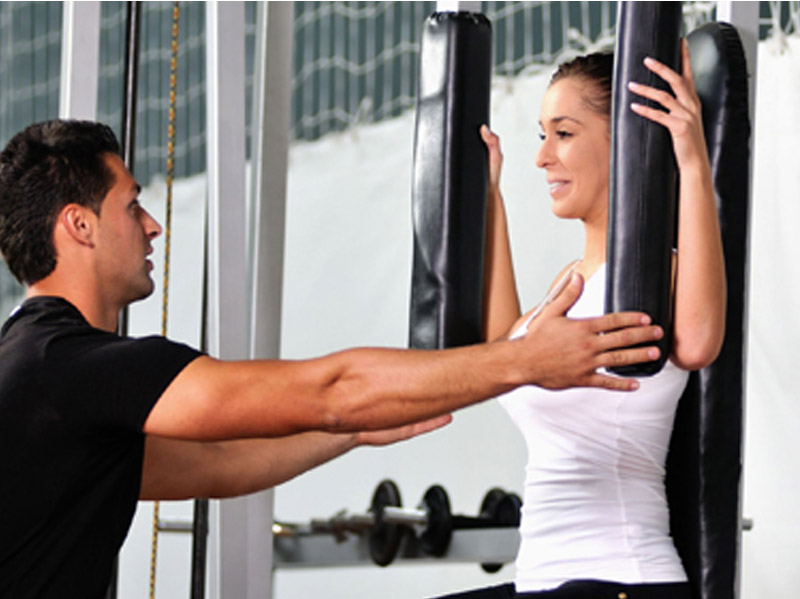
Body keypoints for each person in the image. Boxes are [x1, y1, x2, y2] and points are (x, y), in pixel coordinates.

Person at [0, 119, 664, 598]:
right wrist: (524, 360)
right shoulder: (72, 367)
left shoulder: (37, 369)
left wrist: (349, 432)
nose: (152, 225)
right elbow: (332, 388)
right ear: (79, 225)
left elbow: (217, 463)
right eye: (132, 204)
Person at [432, 41, 725, 599]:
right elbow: (502, 357)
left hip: (620, 578)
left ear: (627, 140)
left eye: (563, 134)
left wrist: (690, 156)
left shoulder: (653, 275)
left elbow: (699, 342)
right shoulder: (572, 281)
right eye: (542, 135)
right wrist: (489, 196)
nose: (542, 157)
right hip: (543, 581)